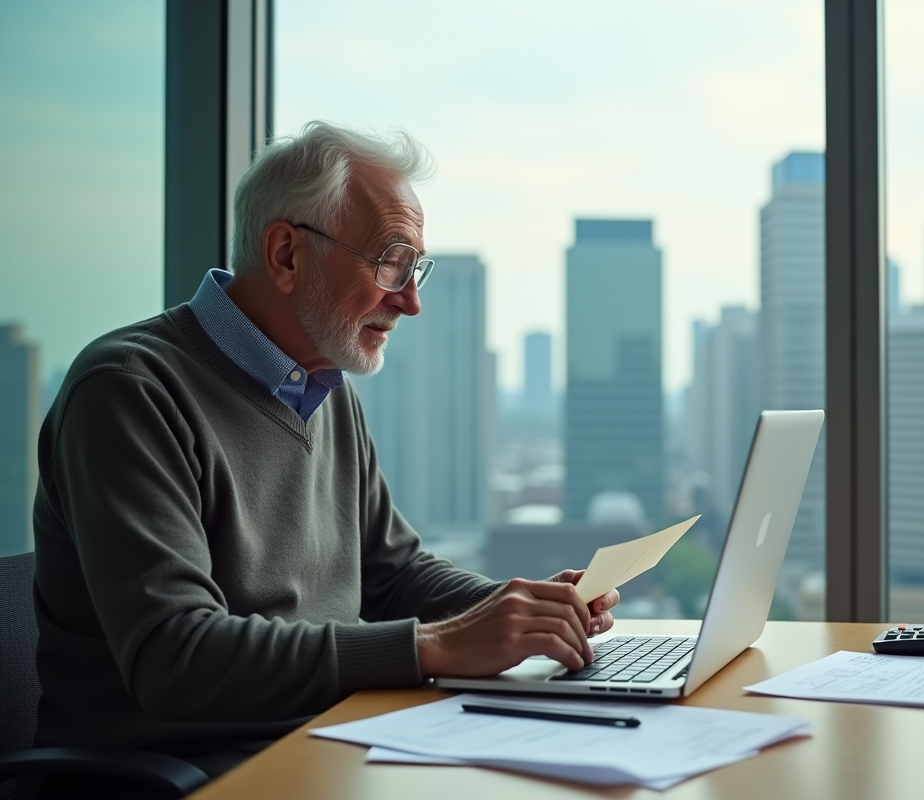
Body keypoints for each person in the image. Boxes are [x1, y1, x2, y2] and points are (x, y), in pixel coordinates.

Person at [31, 121, 619, 779]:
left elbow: (393, 574)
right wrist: (438, 646)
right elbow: (177, 658)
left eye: (415, 269)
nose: (411, 301)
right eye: (391, 262)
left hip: (329, 745)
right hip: (186, 776)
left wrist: (520, 611)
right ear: (286, 254)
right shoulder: (129, 390)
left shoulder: (324, 389)